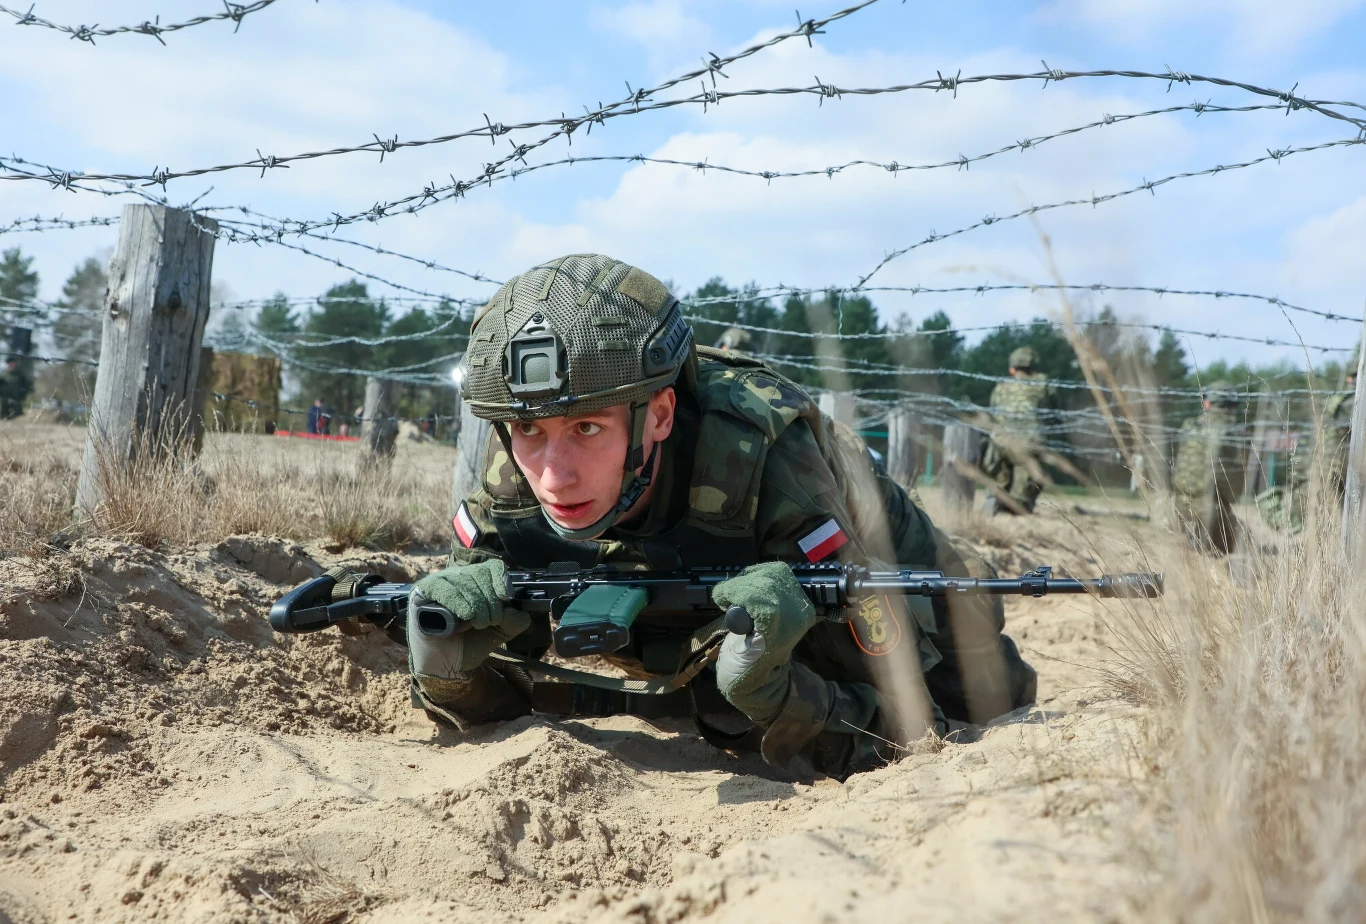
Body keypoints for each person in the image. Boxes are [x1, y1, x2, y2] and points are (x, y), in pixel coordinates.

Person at [405, 254, 1036, 780]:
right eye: (526, 430)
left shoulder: (767, 462)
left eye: (587, 427)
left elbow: (914, 739)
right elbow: (487, 703)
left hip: (854, 519)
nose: (552, 474)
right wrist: (446, 671)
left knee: (986, 675)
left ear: (658, 413)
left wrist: (780, 696)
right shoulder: (508, 484)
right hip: (693, 581)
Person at [981, 346, 1057, 514]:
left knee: (1000, 486)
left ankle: (995, 505)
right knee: (1022, 497)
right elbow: (1053, 412)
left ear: (1012, 369)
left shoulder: (1001, 387)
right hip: (1028, 446)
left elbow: (993, 412)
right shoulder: (1042, 383)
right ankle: (1018, 509)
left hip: (1001, 446)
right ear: (1033, 367)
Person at [1172, 381, 1244, 554]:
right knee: (1241, 542)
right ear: (1233, 406)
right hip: (1210, 511)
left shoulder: (1190, 426)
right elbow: (1230, 485)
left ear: (1207, 403)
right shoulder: (1228, 433)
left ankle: (1193, 539)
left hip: (1179, 505)